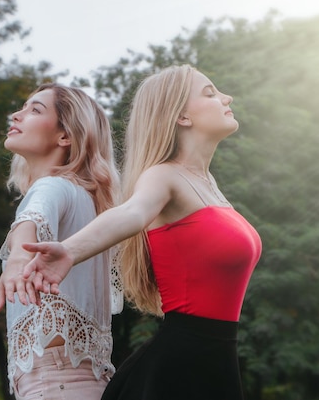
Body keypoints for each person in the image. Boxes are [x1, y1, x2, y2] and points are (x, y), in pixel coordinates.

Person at [18, 64, 262, 400]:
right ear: (182, 117)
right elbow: (132, 212)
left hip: (214, 360)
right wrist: (70, 251)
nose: (226, 97)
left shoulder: (209, 185)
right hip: (178, 369)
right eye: (210, 93)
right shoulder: (163, 176)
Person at [0, 83, 123, 400]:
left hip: (54, 385)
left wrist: (20, 257)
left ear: (65, 136)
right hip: (86, 383)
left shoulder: (51, 186)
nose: (17, 114)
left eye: (35, 110)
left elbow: (32, 219)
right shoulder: (86, 199)